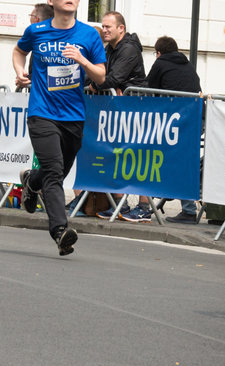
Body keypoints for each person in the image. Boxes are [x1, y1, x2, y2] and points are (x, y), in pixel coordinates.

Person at [13, 0, 107, 256]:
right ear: (51, 1)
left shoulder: (89, 34)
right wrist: (21, 71)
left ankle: (32, 181)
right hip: (42, 113)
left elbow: (101, 76)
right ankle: (60, 231)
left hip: (74, 117)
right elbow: (19, 51)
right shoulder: (37, 30)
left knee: (58, 171)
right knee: (54, 172)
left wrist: (82, 61)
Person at [90, 11, 151, 223]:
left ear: (121, 29)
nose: (104, 30)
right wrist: (103, 82)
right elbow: (102, 73)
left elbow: (112, 77)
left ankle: (144, 207)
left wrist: (96, 84)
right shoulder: (110, 49)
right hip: (119, 108)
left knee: (140, 157)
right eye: (103, 27)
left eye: (108, 27)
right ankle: (120, 204)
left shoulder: (129, 49)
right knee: (116, 154)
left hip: (136, 107)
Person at [146, 36, 202, 224]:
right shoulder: (188, 65)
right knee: (183, 160)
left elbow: (147, 91)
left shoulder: (160, 63)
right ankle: (171, 197)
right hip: (194, 119)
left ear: (159, 53)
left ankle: (183, 209)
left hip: (172, 120)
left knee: (161, 158)